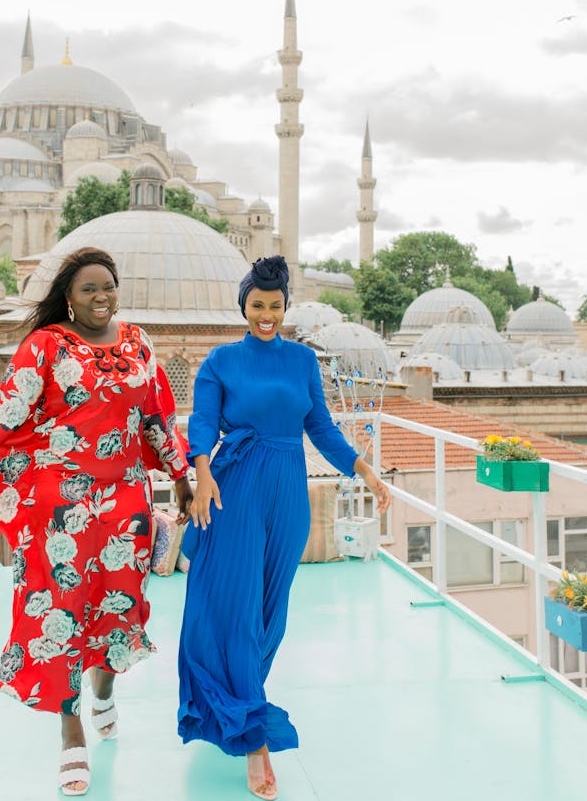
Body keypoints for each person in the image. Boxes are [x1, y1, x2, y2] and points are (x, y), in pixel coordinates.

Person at [0, 247, 192, 796]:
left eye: (108, 285)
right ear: (68, 296)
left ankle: (103, 690)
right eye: (89, 289)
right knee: (58, 612)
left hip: (124, 504)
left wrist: (179, 476)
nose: (101, 296)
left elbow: (154, 416)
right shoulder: (45, 346)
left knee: (117, 605)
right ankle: (71, 730)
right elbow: (3, 416)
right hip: (57, 506)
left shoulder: (138, 343)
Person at [177, 255, 391, 800]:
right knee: (236, 611)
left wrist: (365, 469)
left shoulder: (301, 362)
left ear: (285, 308)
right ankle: (254, 739)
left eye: (275, 306)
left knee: (271, 613)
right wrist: (201, 476)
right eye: (257, 306)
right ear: (243, 307)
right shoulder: (221, 360)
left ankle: (240, 702)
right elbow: (202, 423)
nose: (266, 315)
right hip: (235, 487)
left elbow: (318, 425)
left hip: (288, 492)